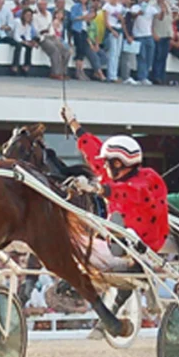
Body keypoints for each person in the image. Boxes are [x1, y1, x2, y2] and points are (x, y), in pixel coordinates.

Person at [60, 104, 169, 253]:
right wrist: (73, 122)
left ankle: (127, 241)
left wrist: (95, 188)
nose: (103, 165)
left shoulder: (148, 178)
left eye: (107, 162)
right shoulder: (112, 175)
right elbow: (93, 151)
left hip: (149, 242)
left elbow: (133, 192)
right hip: (118, 237)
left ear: (117, 163)